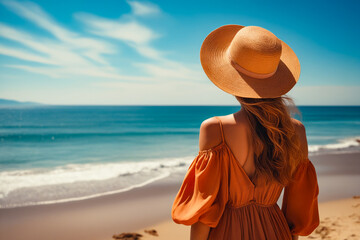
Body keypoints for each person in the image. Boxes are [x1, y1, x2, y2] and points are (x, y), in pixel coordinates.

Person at [171, 25, 320, 240]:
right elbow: (297, 210)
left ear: (231, 77)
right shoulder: (296, 131)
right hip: (276, 232)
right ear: (275, 80)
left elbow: (205, 208)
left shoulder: (215, 128)